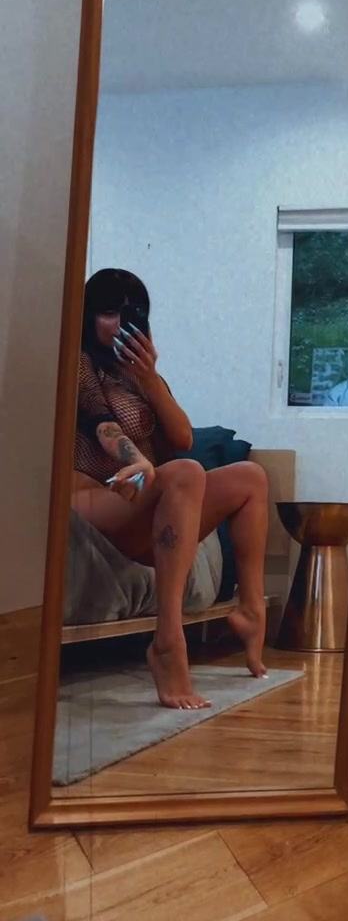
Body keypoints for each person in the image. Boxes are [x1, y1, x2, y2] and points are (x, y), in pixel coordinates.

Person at [72, 268, 269, 710]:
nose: (119, 324)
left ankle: (251, 610)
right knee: (184, 473)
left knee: (250, 477)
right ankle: (167, 640)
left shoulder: (138, 375)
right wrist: (136, 460)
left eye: (131, 314)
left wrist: (150, 378)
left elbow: (181, 438)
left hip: (139, 500)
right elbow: (100, 423)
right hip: (93, 495)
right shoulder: (78, 363)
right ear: (88, 317)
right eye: (108, 312)